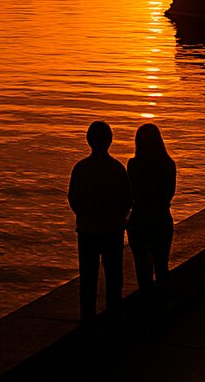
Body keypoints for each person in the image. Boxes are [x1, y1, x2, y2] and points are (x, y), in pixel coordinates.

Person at [68, 121, 132, 333]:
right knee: (114, 277)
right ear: (110, 141)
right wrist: (118, 217)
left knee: (88, 277)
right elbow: (126, 200)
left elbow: (74, 199)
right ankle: (115, 318)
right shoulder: (117, 169)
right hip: (112, 230)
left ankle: (88, 319)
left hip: (87, 231)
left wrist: (84, 215)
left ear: (89, 141)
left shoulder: (80, 168)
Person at [126, 123, 176, 321]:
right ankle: (163, 309)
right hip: (162, 219)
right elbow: (169, 194)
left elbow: (130, 195)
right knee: (161, 265)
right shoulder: (168, 164)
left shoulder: (133, 165)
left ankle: (145, 310)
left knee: (142, 269)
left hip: (139, 220)